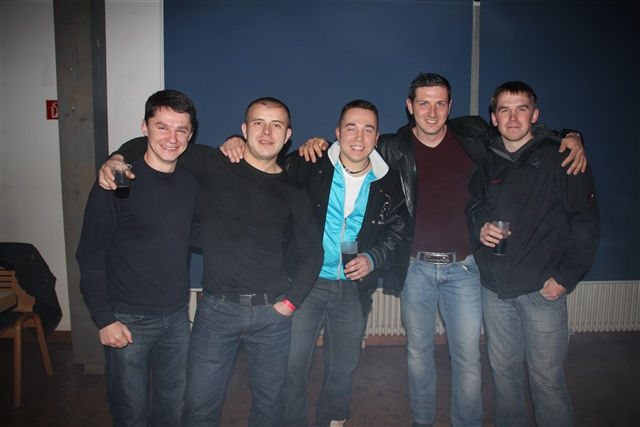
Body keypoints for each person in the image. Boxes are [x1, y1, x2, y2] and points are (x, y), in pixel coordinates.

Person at [273, 73, 588, 427]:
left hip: (465, 269)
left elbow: (517, 128)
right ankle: (422, 422)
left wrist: (568, 136)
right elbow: (344, 150)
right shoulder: (392, 147)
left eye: (440, 103)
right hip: (415, 269)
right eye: (423, 103)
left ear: (450, 107)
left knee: (468, 359)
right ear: (410, 107)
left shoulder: (474, 134)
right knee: (417, 354)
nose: (432, 112)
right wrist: (314, 143)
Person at [98, 97, 324, 427]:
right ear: (244, 129)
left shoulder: (294, 190)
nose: (266, 132)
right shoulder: (214, 163)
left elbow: (312, 251)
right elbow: (160, 143)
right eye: (258, 123)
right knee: (199, 406)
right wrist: (116, 158)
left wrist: (290, 304)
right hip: (217, 312)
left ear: (287, 135)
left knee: (269, 404)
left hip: (272, 314)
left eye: (276, 125)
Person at [223, 100, 412, 427]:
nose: (359, 136)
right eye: (351, 127)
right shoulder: (309, 163)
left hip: (354, 289)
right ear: (337, 132)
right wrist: (235, 143)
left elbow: (398, 233)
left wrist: (373, 258)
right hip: (304, 284)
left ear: (377, 136)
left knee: (344, 366)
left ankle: (333, 418)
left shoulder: (389, 181)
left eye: (367, 129)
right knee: (293, 365)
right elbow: (263, 163)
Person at [466, 81, 600, 427]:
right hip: (496, 292)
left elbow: (585, 223)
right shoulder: (486, 161)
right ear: (493, 118)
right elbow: (474, 205)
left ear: (535, 115)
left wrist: (565, 278)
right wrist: (480, 225)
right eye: (505, 110)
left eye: (521, 109)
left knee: (547, 384)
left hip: (542, 292)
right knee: (504, 378)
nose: (513, 118)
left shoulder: (562, 156)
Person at [76, 89, 201, 427]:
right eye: (162, 127)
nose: (172, 138)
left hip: (176, 318)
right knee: (130, 413)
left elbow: (195, 234)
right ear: (144, 127)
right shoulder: (116, 182)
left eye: (181, 129)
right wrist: (104, 318)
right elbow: (90, 254)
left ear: (191, 134)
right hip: (127, 319)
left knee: (172, 408)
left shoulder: (191, 184)